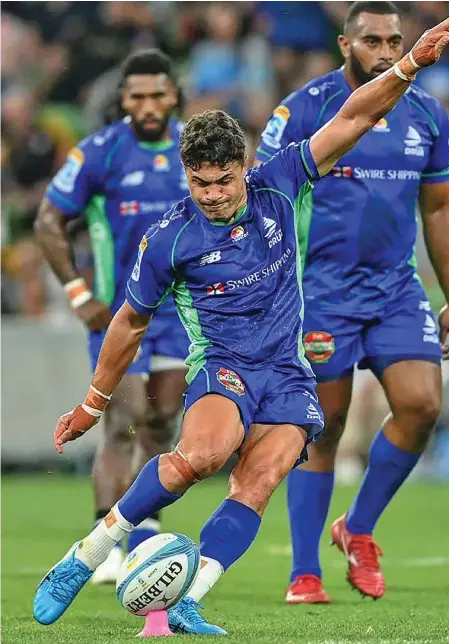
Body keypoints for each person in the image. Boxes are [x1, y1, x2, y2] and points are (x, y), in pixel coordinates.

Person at [33, 12, 449, 635]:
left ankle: (189, 598)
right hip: (225, 364)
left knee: (261, 480)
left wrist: (410, 65)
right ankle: (85, 557)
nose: (211, 194)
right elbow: (127, 324)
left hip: (287, 371)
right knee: (200, 457)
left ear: (244, 167)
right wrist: (93, 402)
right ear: (187, 176)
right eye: (200, 183)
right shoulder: (171, 239)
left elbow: (354, 117)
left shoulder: (280, 183)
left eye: (222, 181)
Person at [256, 1, 449, 604]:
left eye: (395, 40)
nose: (386, 51)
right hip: (321, 290)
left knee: (422, 405)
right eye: (372, 40)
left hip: (396, 288)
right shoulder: (303, 110)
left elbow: (442, 207)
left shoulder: (427, 113)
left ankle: (359, 528)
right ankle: (304, 572)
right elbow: (263, 192)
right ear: (345, 44)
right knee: (323, 428)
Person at [34, 49, 190, 584]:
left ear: (174, 95)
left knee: (164, 421)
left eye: (157, 95)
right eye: (137, 96)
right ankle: (106, 543)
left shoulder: (195, 148)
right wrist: (78, 294)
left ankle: (145, 537)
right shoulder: (101, 152)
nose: (148, 105)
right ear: (122, 100)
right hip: (119, 313)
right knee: (123, 420)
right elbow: (49, 220)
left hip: (183, 315)